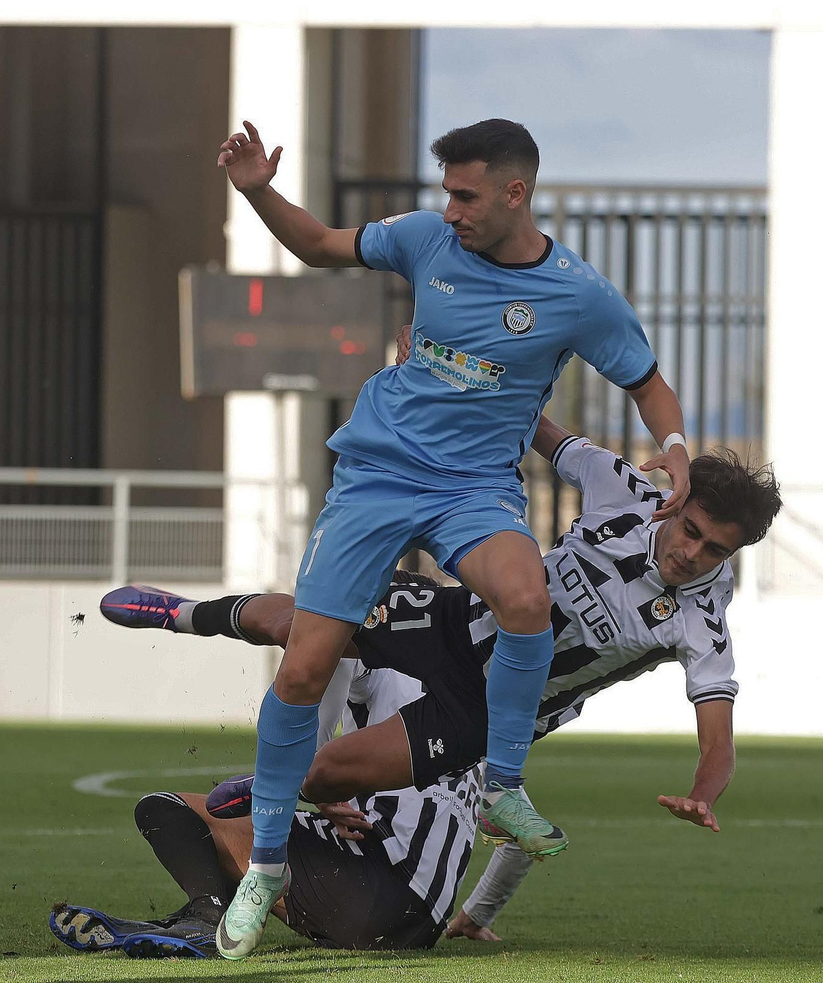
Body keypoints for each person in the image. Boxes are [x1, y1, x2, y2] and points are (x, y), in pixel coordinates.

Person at [213, 115, 691, 958]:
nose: (451, 207)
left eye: (465, 193)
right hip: (376, 477)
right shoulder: (425, 239)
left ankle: (502, 784)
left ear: (517, 192)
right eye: (446, 191)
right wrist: (257, 191)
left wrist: (678, 449)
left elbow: (648, 383)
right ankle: (269, 864)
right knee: (305, 667)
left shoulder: (578, 294)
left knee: (525, 597)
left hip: (474, 490)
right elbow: (322, 245)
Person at [103, 418, 780, 928]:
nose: (692, 552)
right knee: (315, 620)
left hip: (482, 713)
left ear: (736, 551)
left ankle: (268, 787)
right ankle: (184, 612)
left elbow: (718, 741)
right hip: (459, 619)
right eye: (690, 529)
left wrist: (704, 791)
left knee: (326, 774)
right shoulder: (623, 489)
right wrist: (447, 364)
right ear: (677, 500)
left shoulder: (701, 623)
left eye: (716, 549)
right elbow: (531, 423)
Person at [51, 656, 483, 958]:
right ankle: (200, 915)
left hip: (368, 884)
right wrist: (476, 914)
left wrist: (314, 785)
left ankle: (206, 915)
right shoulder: (473, 705)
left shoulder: (376, 649)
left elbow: (318, 691)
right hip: (419, 926)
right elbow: (522, 839)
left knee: (164, 809)